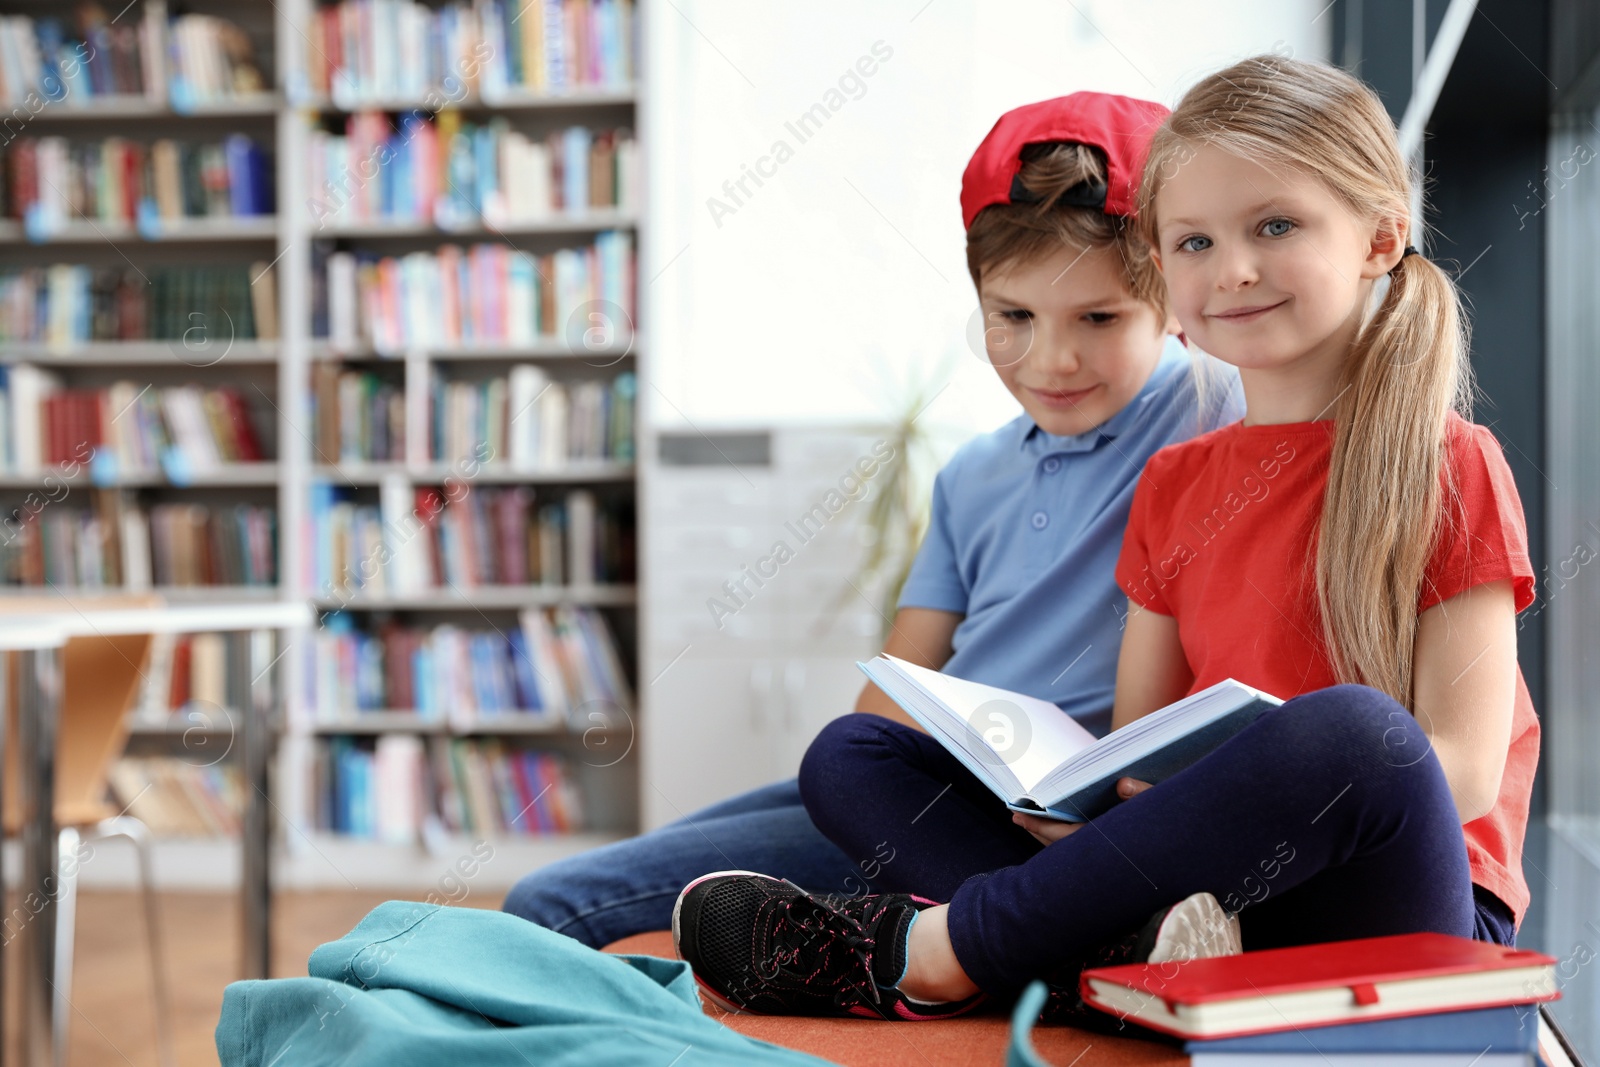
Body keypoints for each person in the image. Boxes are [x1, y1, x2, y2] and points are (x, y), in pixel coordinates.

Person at [672, 55, 1540, 1028]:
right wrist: (1074, 799)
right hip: (1207, 908)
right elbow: (1133, 749)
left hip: (1389, 903)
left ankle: (946, 951)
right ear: (1161, 271)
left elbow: (1459, 766)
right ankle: (1116, 967)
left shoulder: (1446, 460)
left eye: (1277, 226)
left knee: (1354, 732)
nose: (1233, 268)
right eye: (1194, 241)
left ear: (1380, 236)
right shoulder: (1173, 484)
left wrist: (1251, 772)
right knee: (854, 754)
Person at [502, 90, 1242, 947]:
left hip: (1054, 811)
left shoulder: (1209, 406)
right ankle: (1023, 920)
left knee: (558, 910)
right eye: (1013, 318)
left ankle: (1063, 928)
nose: (1053, 359)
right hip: (931, 779)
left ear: (1170, 301)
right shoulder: (972, 474)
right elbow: (896, 687)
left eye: (1100, 318)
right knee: (570, 886)